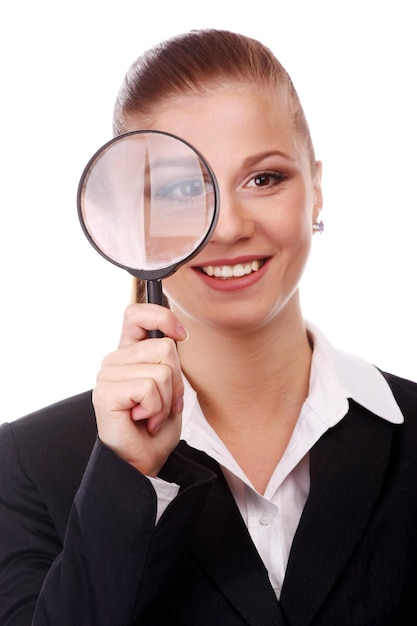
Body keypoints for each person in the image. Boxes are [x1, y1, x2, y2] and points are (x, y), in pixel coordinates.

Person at [0, 28, 416, 626]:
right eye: (179, 189)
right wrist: (126, 480)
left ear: (317, 190)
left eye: (264, 178)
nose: (226, 229)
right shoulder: (34, 461)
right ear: (129, 222)